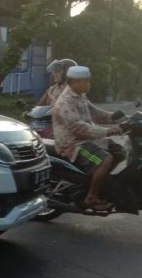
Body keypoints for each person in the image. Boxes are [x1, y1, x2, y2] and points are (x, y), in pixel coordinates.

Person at [52, 66, 125, 211]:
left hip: (86, 139)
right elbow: (80, 129)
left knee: (120, 151)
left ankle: (99, 183)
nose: (89, 84)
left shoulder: (79, 96)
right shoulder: (65, 102)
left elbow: (95, 113)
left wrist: (118, 118)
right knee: (106, 159)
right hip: (73, 145)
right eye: (86, 81)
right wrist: (109, 131)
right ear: (76, 82)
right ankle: (91, 196)